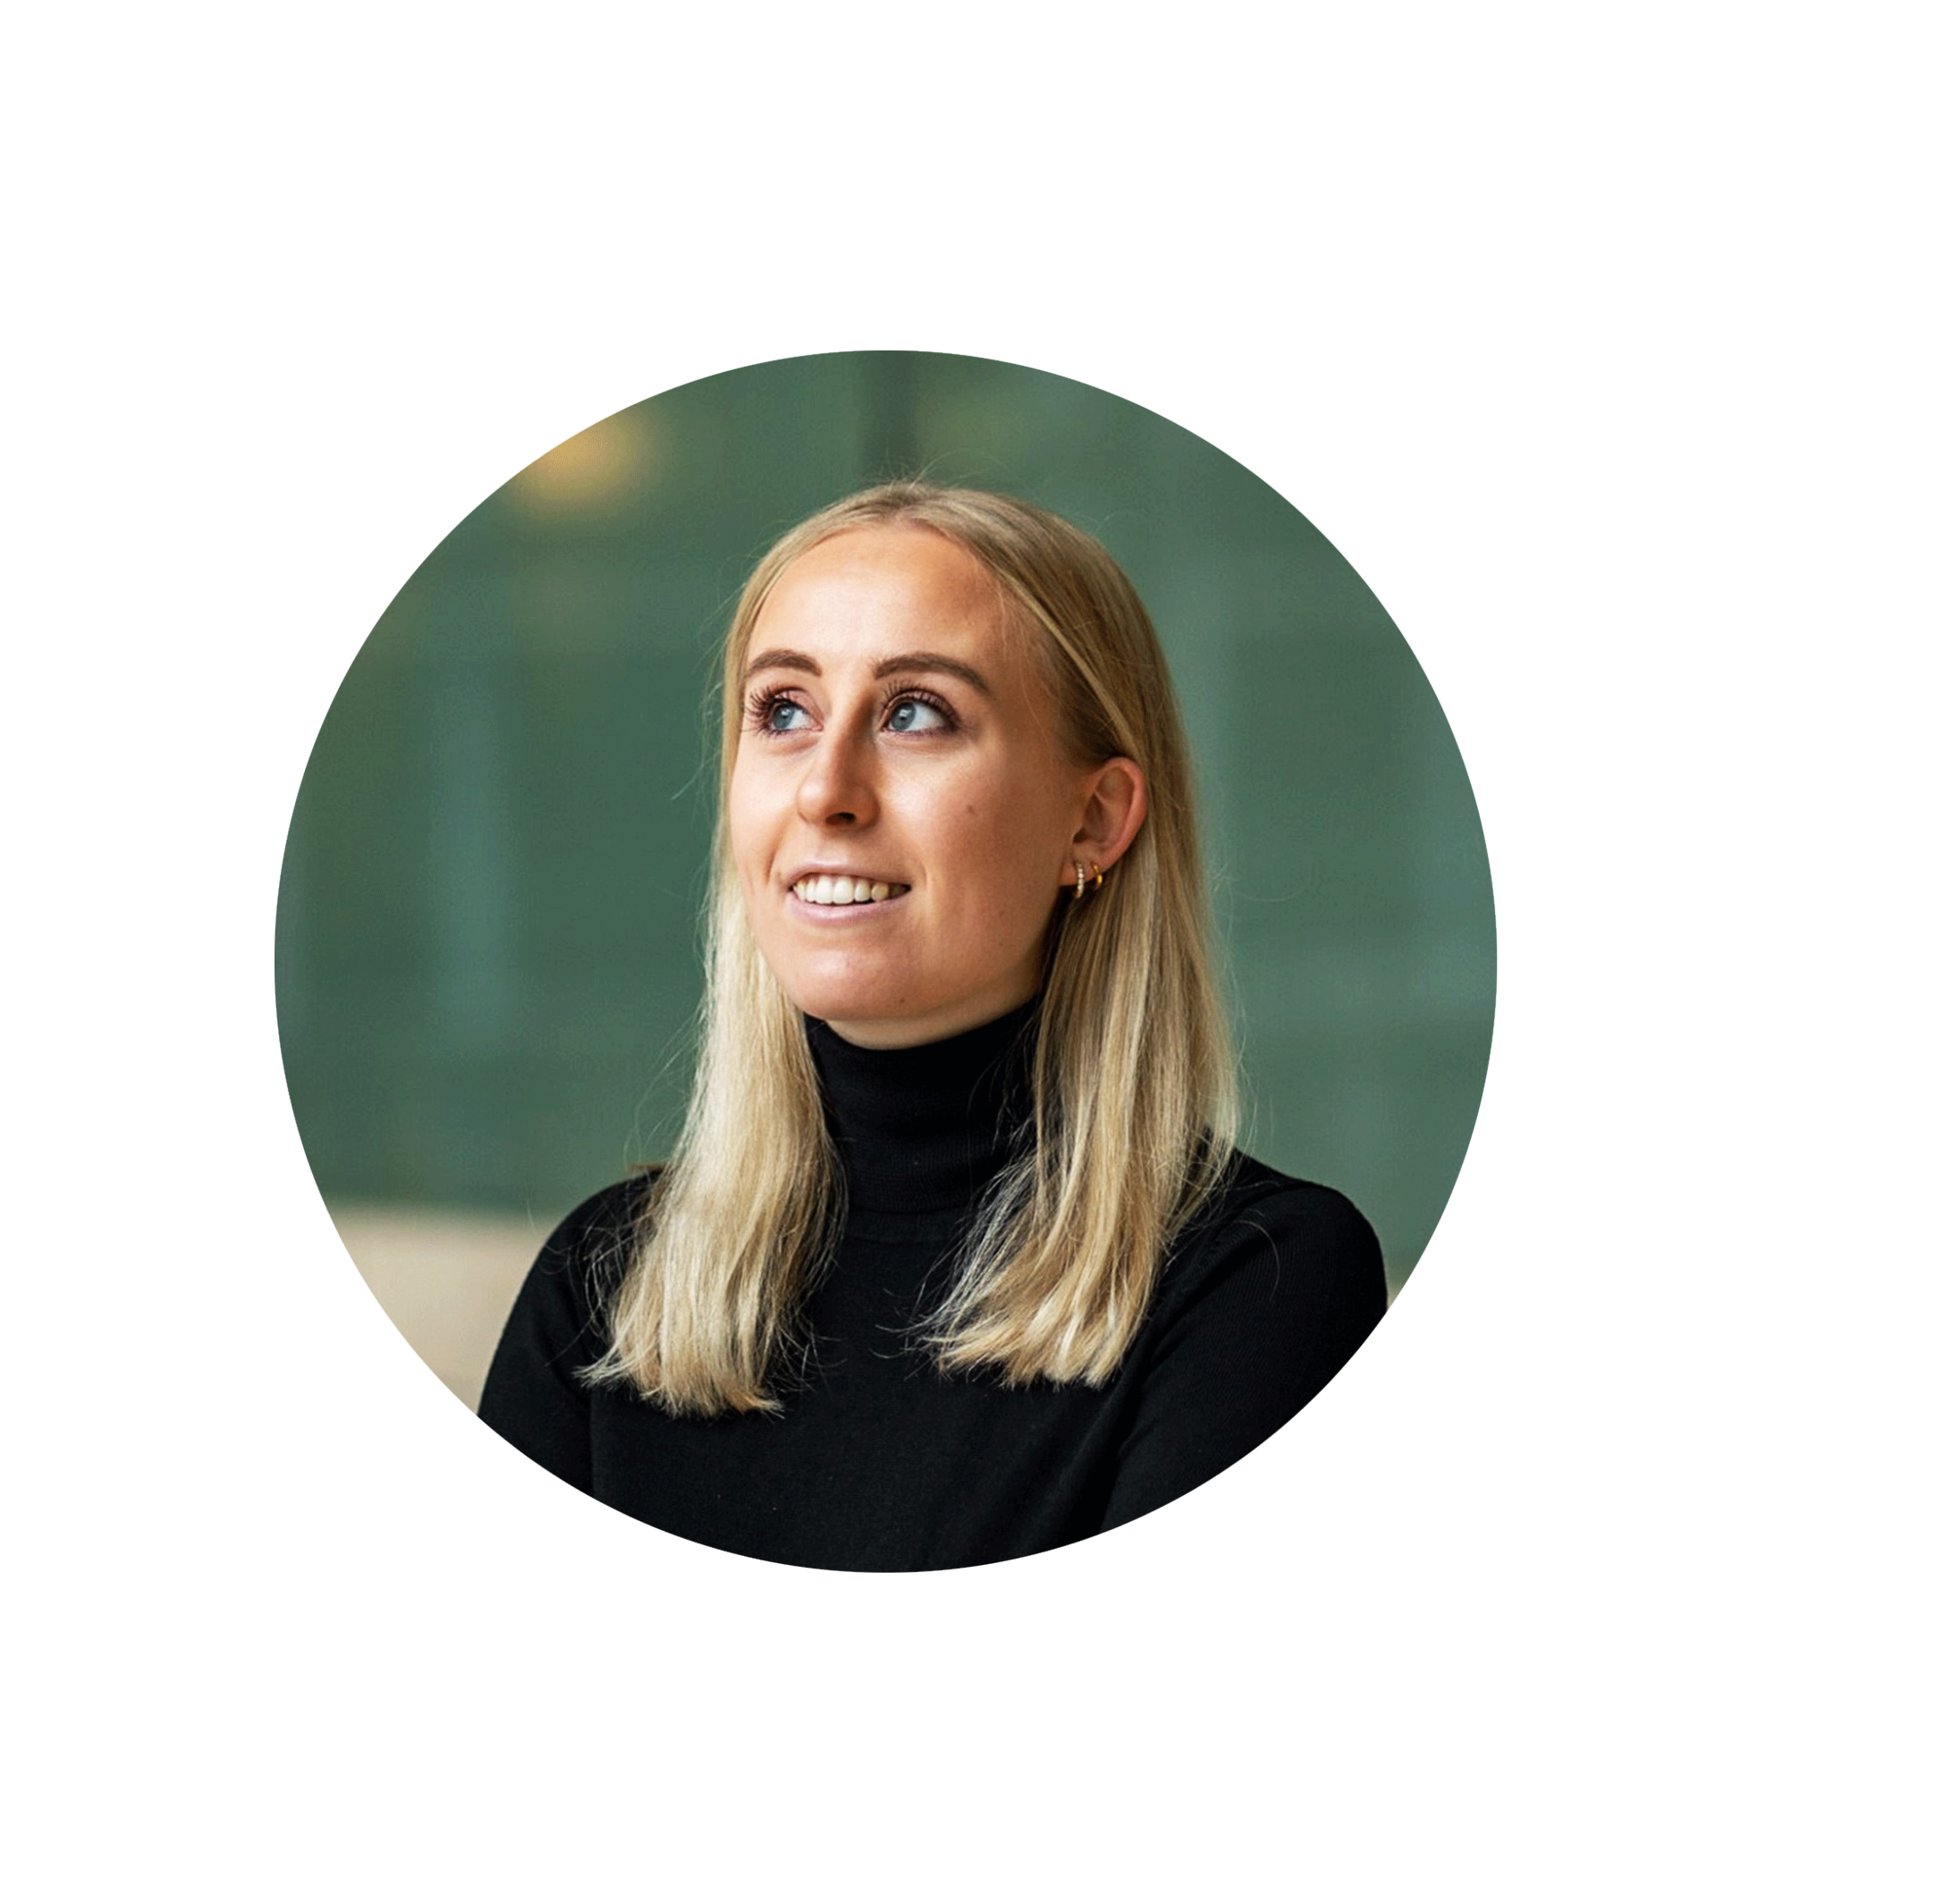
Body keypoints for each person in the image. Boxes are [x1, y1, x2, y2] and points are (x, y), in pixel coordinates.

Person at [480, 484, 1383, 1568]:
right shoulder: (604, 1282)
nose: (825, 791)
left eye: (915, 713)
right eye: (783, 711)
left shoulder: (1265, 1283)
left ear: (1094, 819)